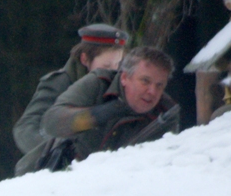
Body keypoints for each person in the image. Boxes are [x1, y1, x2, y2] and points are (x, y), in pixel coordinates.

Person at [15, 46, 179, 176]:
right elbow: (52, 122)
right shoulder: (98, 83)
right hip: (46, 174)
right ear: (124, 78)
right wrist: (100, 114)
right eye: (145, 81)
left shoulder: (165, 114)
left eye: (159, 85)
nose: (152, 91)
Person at [13, 24, 129, 155]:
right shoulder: (60, 82)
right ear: (85, 59)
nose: (113, 72)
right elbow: (26, 129)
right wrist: (54, 151)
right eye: (106, 66)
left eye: (118, 65)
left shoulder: (122, 83)